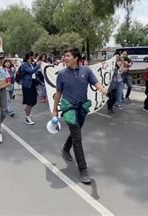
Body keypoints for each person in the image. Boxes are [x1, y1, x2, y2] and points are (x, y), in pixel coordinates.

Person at [53, 48, 106, 184]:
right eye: (64, 56)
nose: (65, 58)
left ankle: (65, 148)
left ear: (76, 58)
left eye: (68, 56)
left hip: (82, 108)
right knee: (77, 137)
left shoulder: (86, 71)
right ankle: (83, 169)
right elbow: (58, 93)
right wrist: (55, 111)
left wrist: (101, 88)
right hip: (68, 109)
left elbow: (96, 82)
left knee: (76, 133)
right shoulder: (62, 74)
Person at [21, 51, 41, 125]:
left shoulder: (31, 64)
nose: (34, 58)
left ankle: (27, 110)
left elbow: (34, 73)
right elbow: (30, 72)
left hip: (32, 84)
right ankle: (27, 117)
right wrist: (38, 66)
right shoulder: (24, 65)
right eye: (33, 56)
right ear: (30, 56)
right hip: (27, 85)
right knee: (30, 102)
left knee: (34, 101)